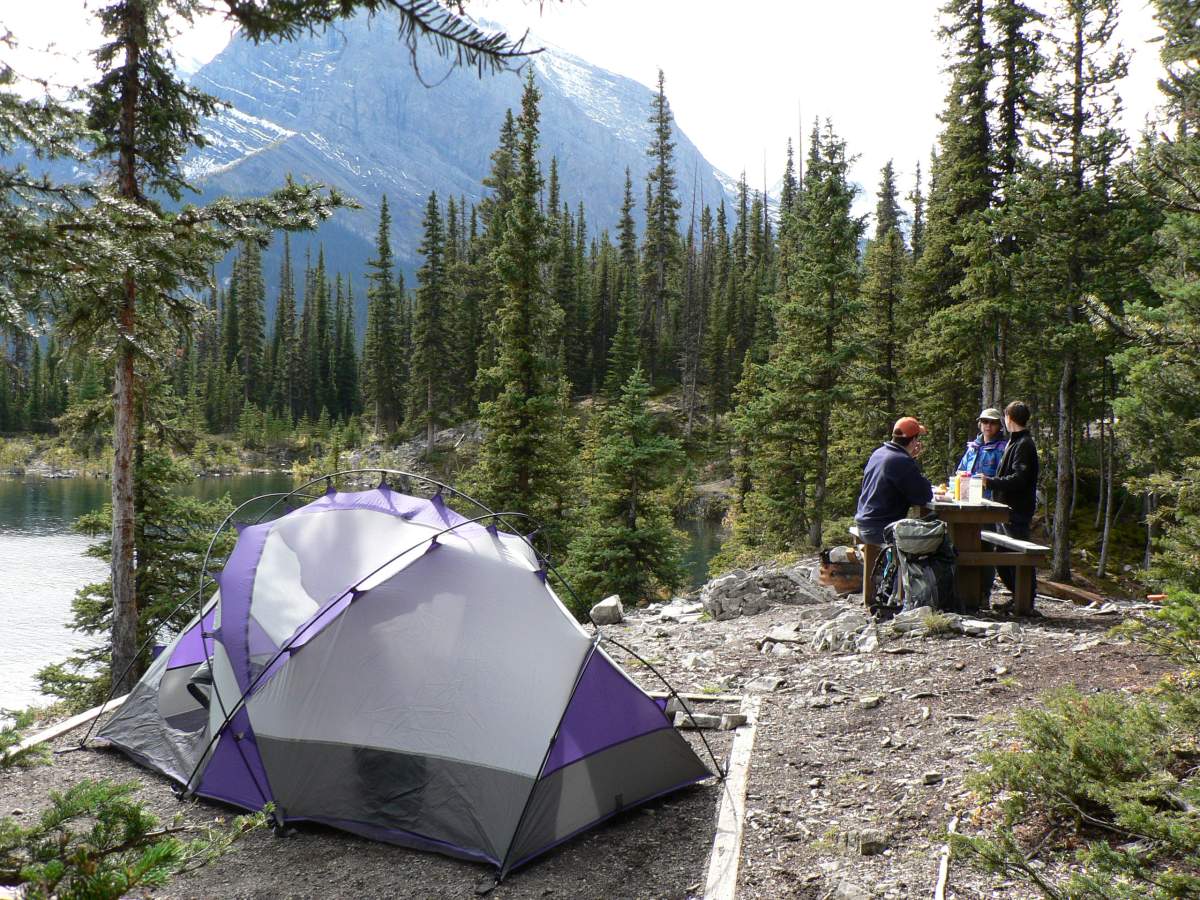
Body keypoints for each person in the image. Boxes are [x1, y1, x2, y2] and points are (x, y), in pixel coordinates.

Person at [854, 416, 934, 606]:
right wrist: (912, 461)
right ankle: (905, 597)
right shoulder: (901, 461)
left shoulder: (880, 453)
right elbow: (923, 496)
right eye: (918, 438)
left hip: (865, 521)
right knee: (931, 539)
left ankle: (888, 591)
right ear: (913, 442)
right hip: (880, 529)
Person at [983, 400, 1039, 614]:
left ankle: (1025, 601)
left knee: (1018, 554)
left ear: (1009, 418)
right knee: (1003, 555)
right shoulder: (1015, 442)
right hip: (1006, 509)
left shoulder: (1024, 444)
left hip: (1017, 509)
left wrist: (990, 482)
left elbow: (1020, 479)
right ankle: (1017, 595)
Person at [956, 408, 1007, 481]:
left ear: (999, 426)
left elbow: (1005, 478)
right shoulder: (973, 447)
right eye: (985, 421)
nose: (988, 425)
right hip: (969, 487)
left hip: (990, 488)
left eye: (993, 422)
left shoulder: (1003, 448)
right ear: (980, 424)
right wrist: (962, 474)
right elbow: (960, 470)